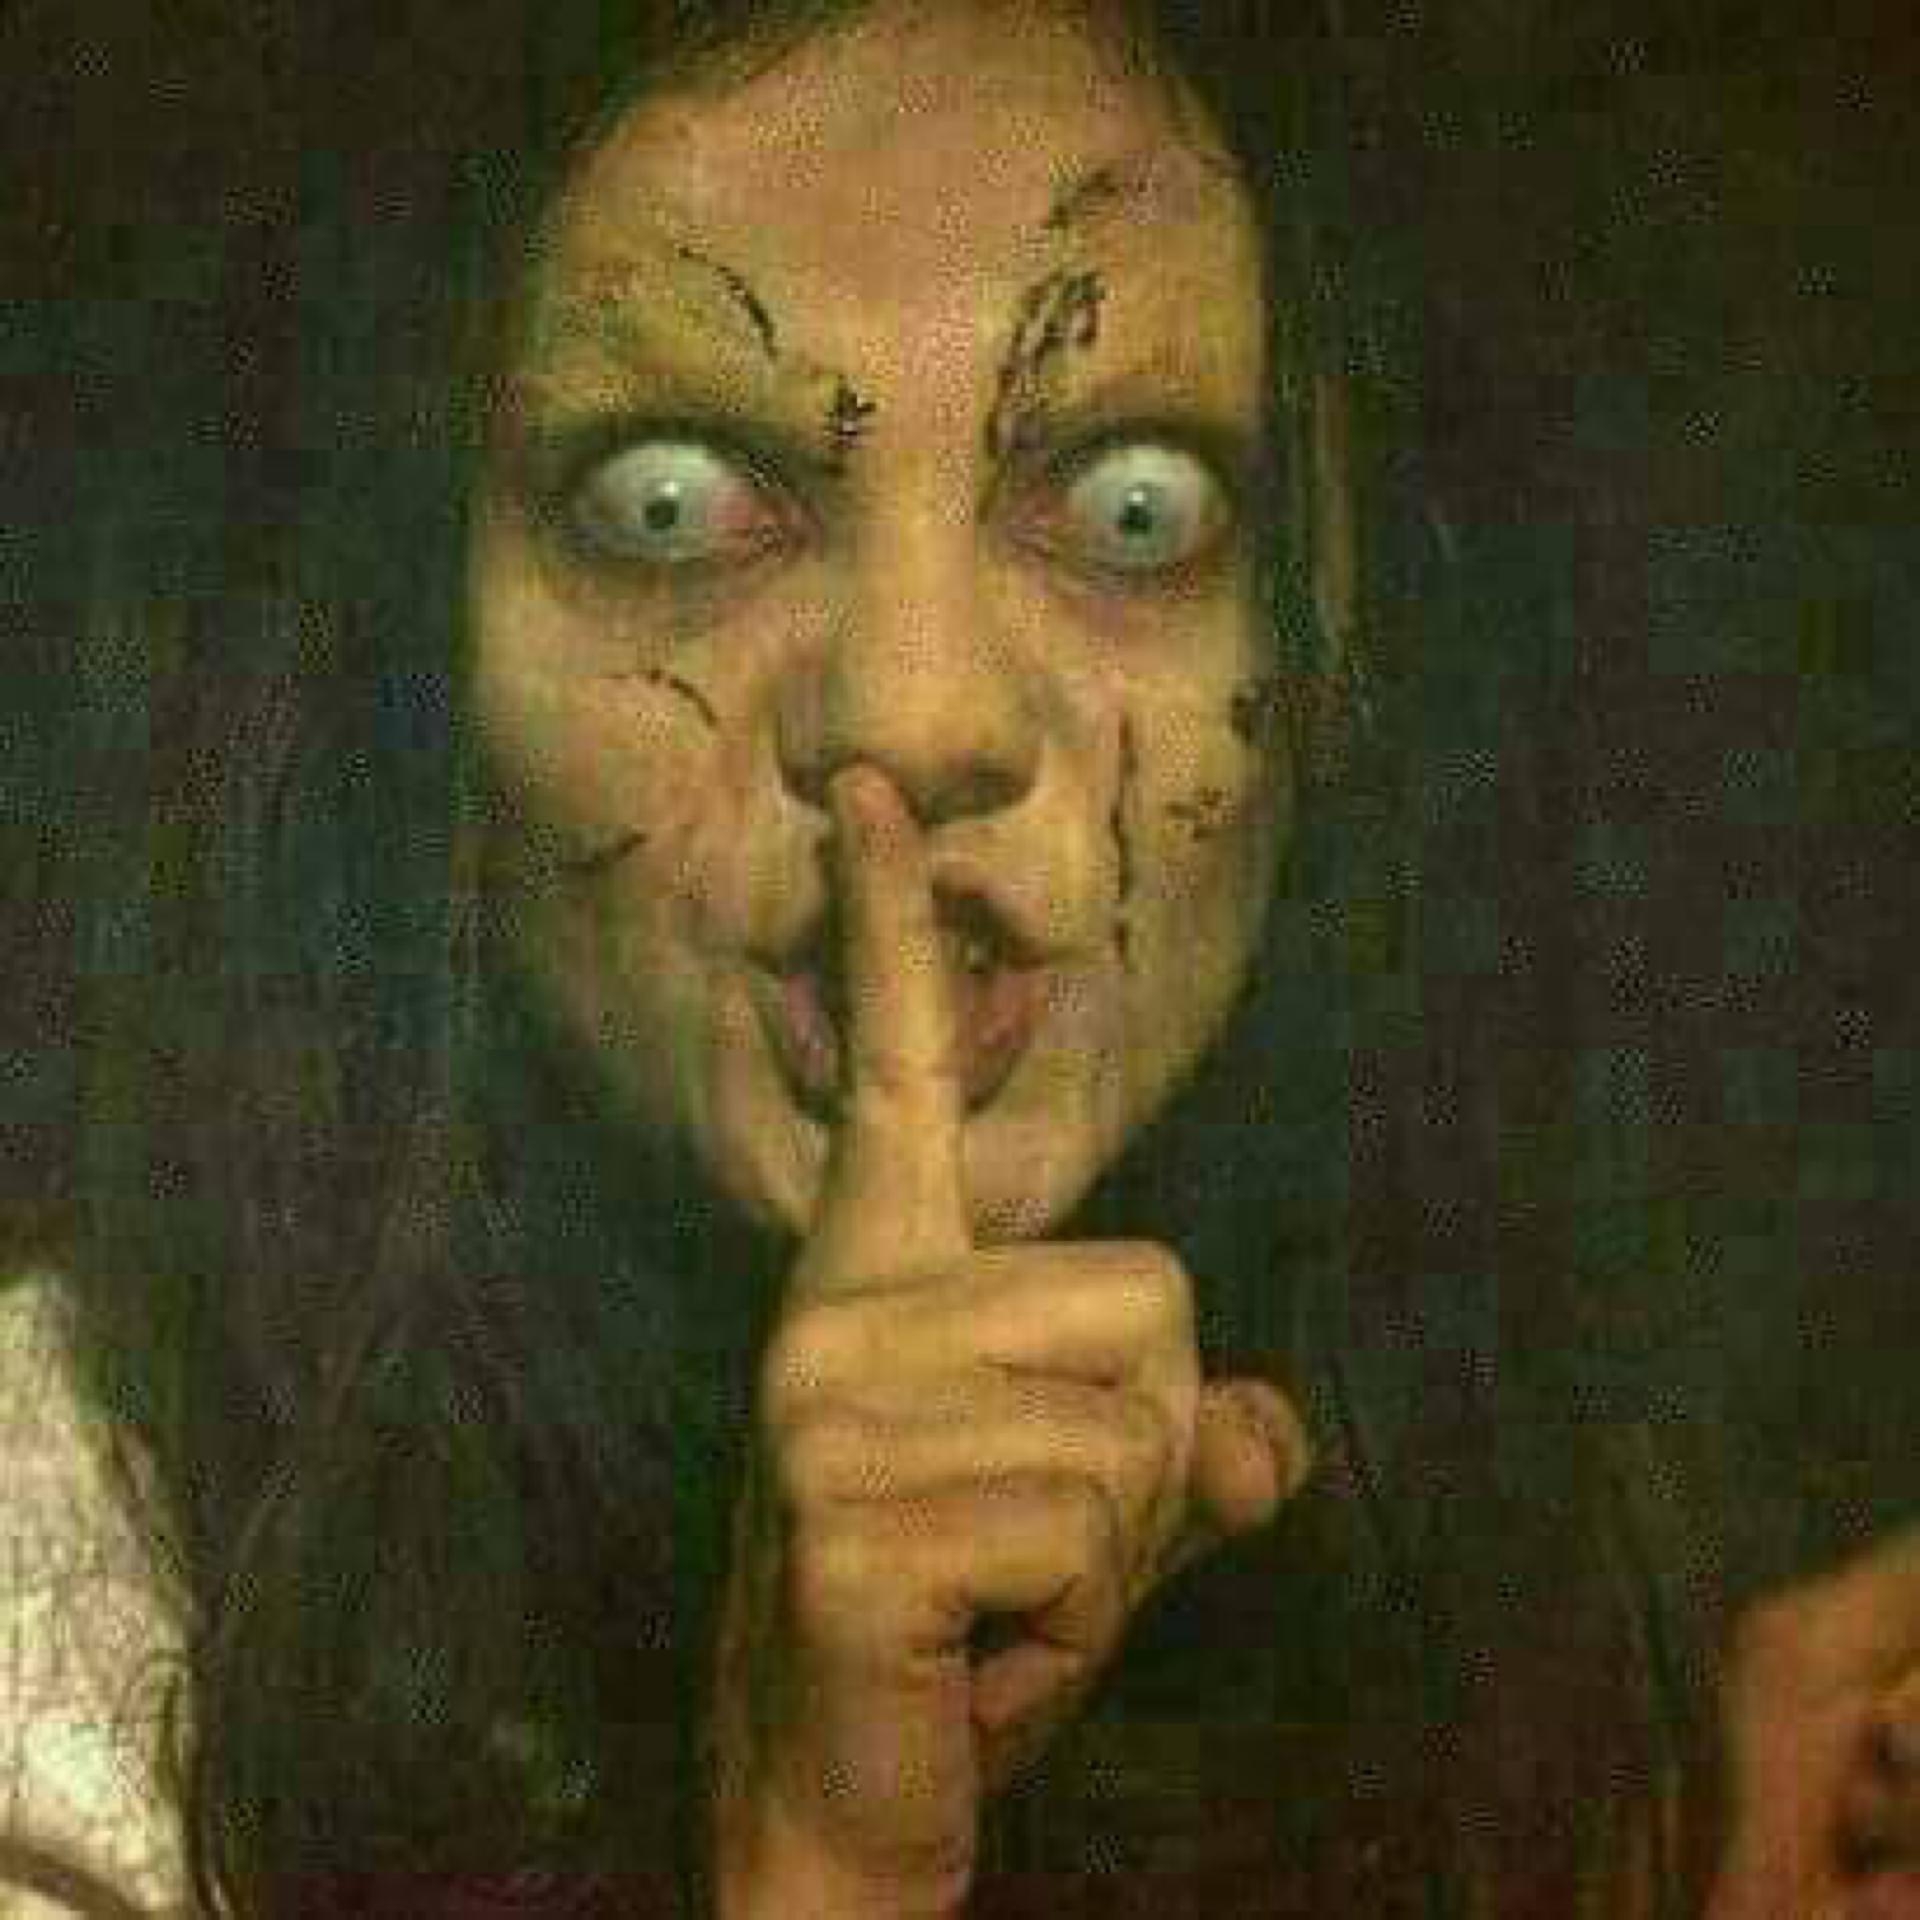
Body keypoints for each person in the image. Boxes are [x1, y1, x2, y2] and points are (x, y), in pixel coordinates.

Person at [3, 1, 1919, 1915]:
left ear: (1352, 646)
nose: (918, 717)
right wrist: (821, 1865)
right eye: (668, 504)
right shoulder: (49, 1665)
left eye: (1135, 506)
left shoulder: (1549, 1550)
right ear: (392, 641)